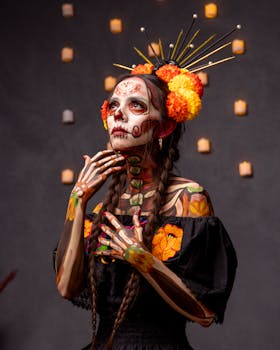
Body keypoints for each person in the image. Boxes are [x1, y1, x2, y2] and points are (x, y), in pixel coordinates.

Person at [54, 37, 237, 350]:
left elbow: (205, 314)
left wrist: (145, 261)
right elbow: (67, 289)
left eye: (135, 105)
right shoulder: (102, 207)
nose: (118, 115)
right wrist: (77, 201)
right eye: (113, 106)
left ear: (163, 128)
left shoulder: (188, 199)